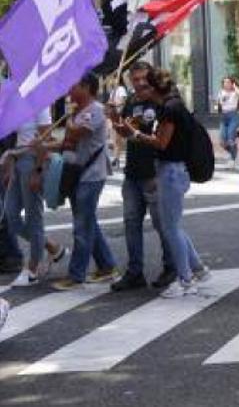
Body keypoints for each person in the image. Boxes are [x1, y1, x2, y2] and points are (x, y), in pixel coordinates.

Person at [113, 69, 210, 298]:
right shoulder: (172, 105)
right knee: (172, 225)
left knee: (170, 227)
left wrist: (135, 133)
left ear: (153, 89)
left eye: (144, 85)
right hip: (172, 169)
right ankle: (198, 269)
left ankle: (186, 279)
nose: (139, 89)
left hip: (171, 170)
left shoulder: (168, 109)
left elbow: (161, 143)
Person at [109, 61, 179, 292]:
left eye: (142, 79)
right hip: (134, 170)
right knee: (131, 223)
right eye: (135, 79)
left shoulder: (161, 100)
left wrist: (134, 131)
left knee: (162, 224)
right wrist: (114, 118)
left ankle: (171, 267)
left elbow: (164, 136)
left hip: (155, 170)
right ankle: (134, 272)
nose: (139, 83)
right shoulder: (131, 100)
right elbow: (125, 131)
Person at [51, 73, 121, 290]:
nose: (69, 90)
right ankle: (107, 266)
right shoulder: (80, 112)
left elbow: (76, 132)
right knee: (87, 222)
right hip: (76, 173)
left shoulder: (95, 111)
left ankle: (76, 275)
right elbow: (67, 142)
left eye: (73, 86)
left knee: (82, 226)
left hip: (91, 175)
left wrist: (70, 118)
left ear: (86, 87)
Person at [3, 107, 54, 286]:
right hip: (18, 158)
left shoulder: (40, 105)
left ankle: (33, 267)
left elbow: (45, 139)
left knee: (34, 216)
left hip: (32, 160)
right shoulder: (18, 102)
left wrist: (38, 171)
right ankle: (52, 247)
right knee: (11, 215)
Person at [216, 76, 239, 171]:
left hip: (233, 116)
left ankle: (232, 159)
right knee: (222, 141)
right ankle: (234, 154)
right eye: (224, 82)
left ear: (232, 83)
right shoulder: (221, 92)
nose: (226, 84)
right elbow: (219, 104)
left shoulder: (235, 92)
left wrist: (235, 87)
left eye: (228, 82)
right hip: (224, 116)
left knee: (230, 138)